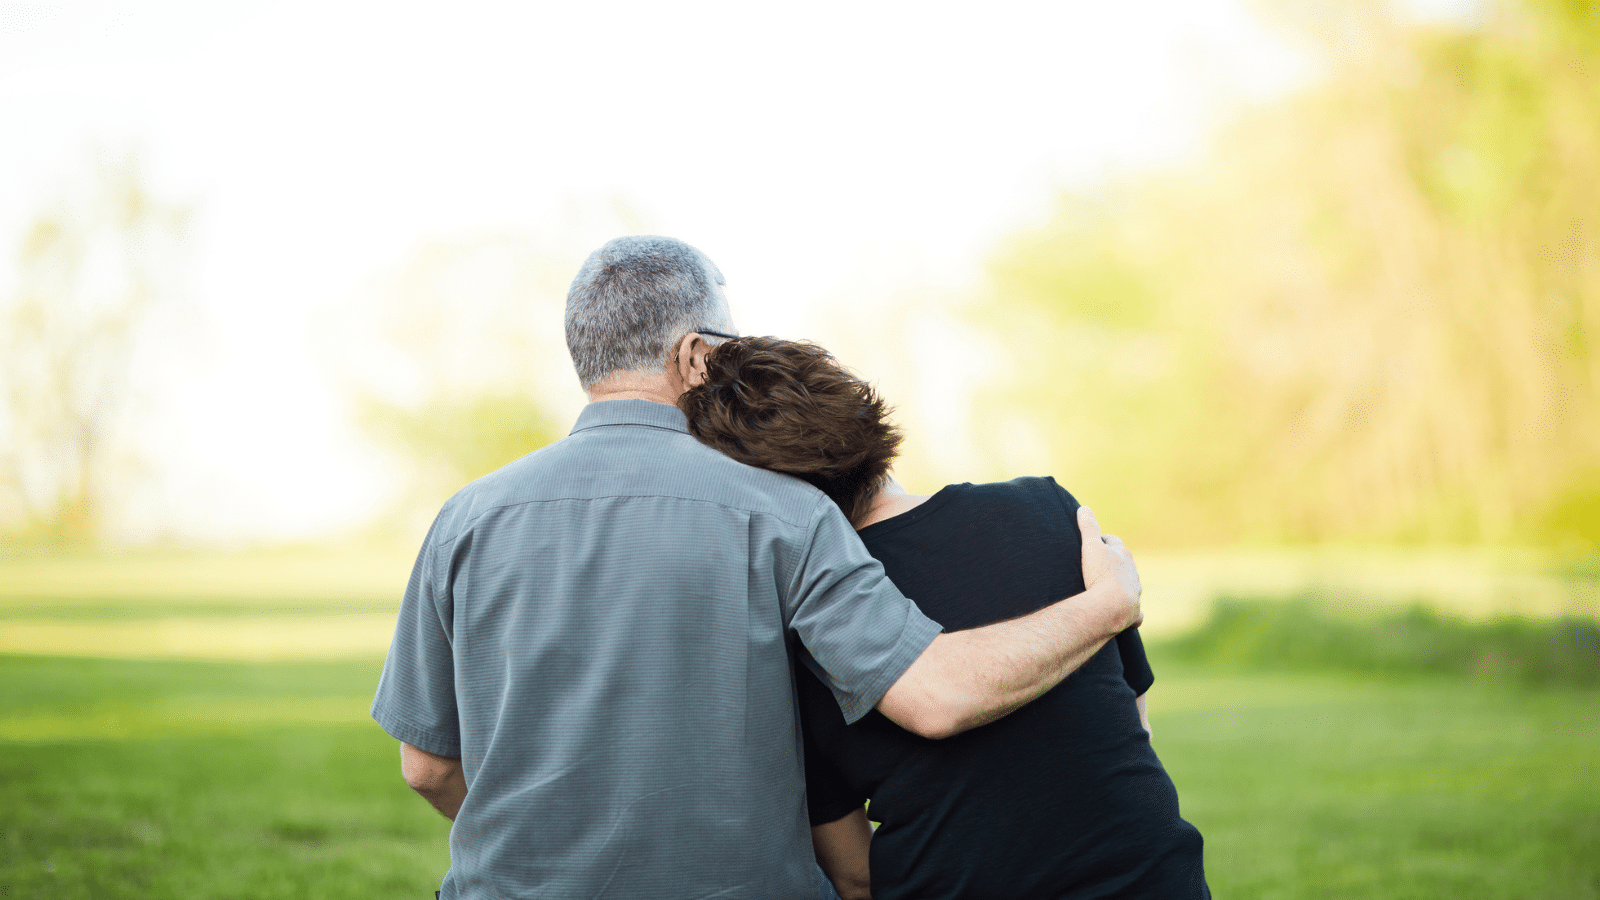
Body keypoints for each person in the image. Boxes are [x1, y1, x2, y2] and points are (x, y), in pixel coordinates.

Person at [370, 236, 1144, 899]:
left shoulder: (464, 520)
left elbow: (426, 769)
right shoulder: (786, 513)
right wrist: (1107, 605)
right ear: (695, 354)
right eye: (727, 344)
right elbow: (934, 691)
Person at [679, 336, 1209, 900]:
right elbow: (1135, 721)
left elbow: (855, 875)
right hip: (1156, 877)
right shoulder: (1050, 507)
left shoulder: (804, 622)